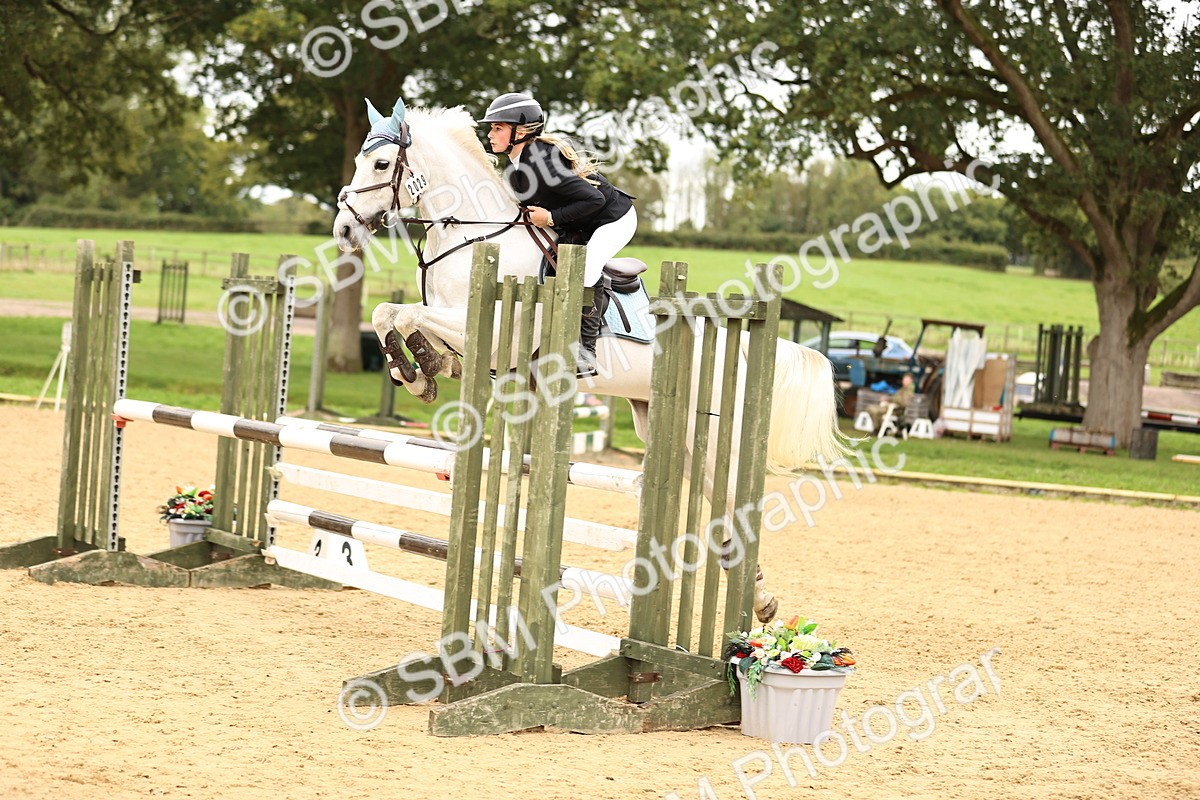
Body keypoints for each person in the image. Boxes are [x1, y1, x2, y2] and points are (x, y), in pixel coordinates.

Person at [481, 92, 637, 374]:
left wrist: (551, 217)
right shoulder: (515, 165)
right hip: (578, 223)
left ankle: (585, 352)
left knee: (586, 270)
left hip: (612, 219)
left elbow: (594, 200)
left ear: (521, 130)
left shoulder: (543, 160)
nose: (490, 134)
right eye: (491, 128)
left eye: (497, 127)